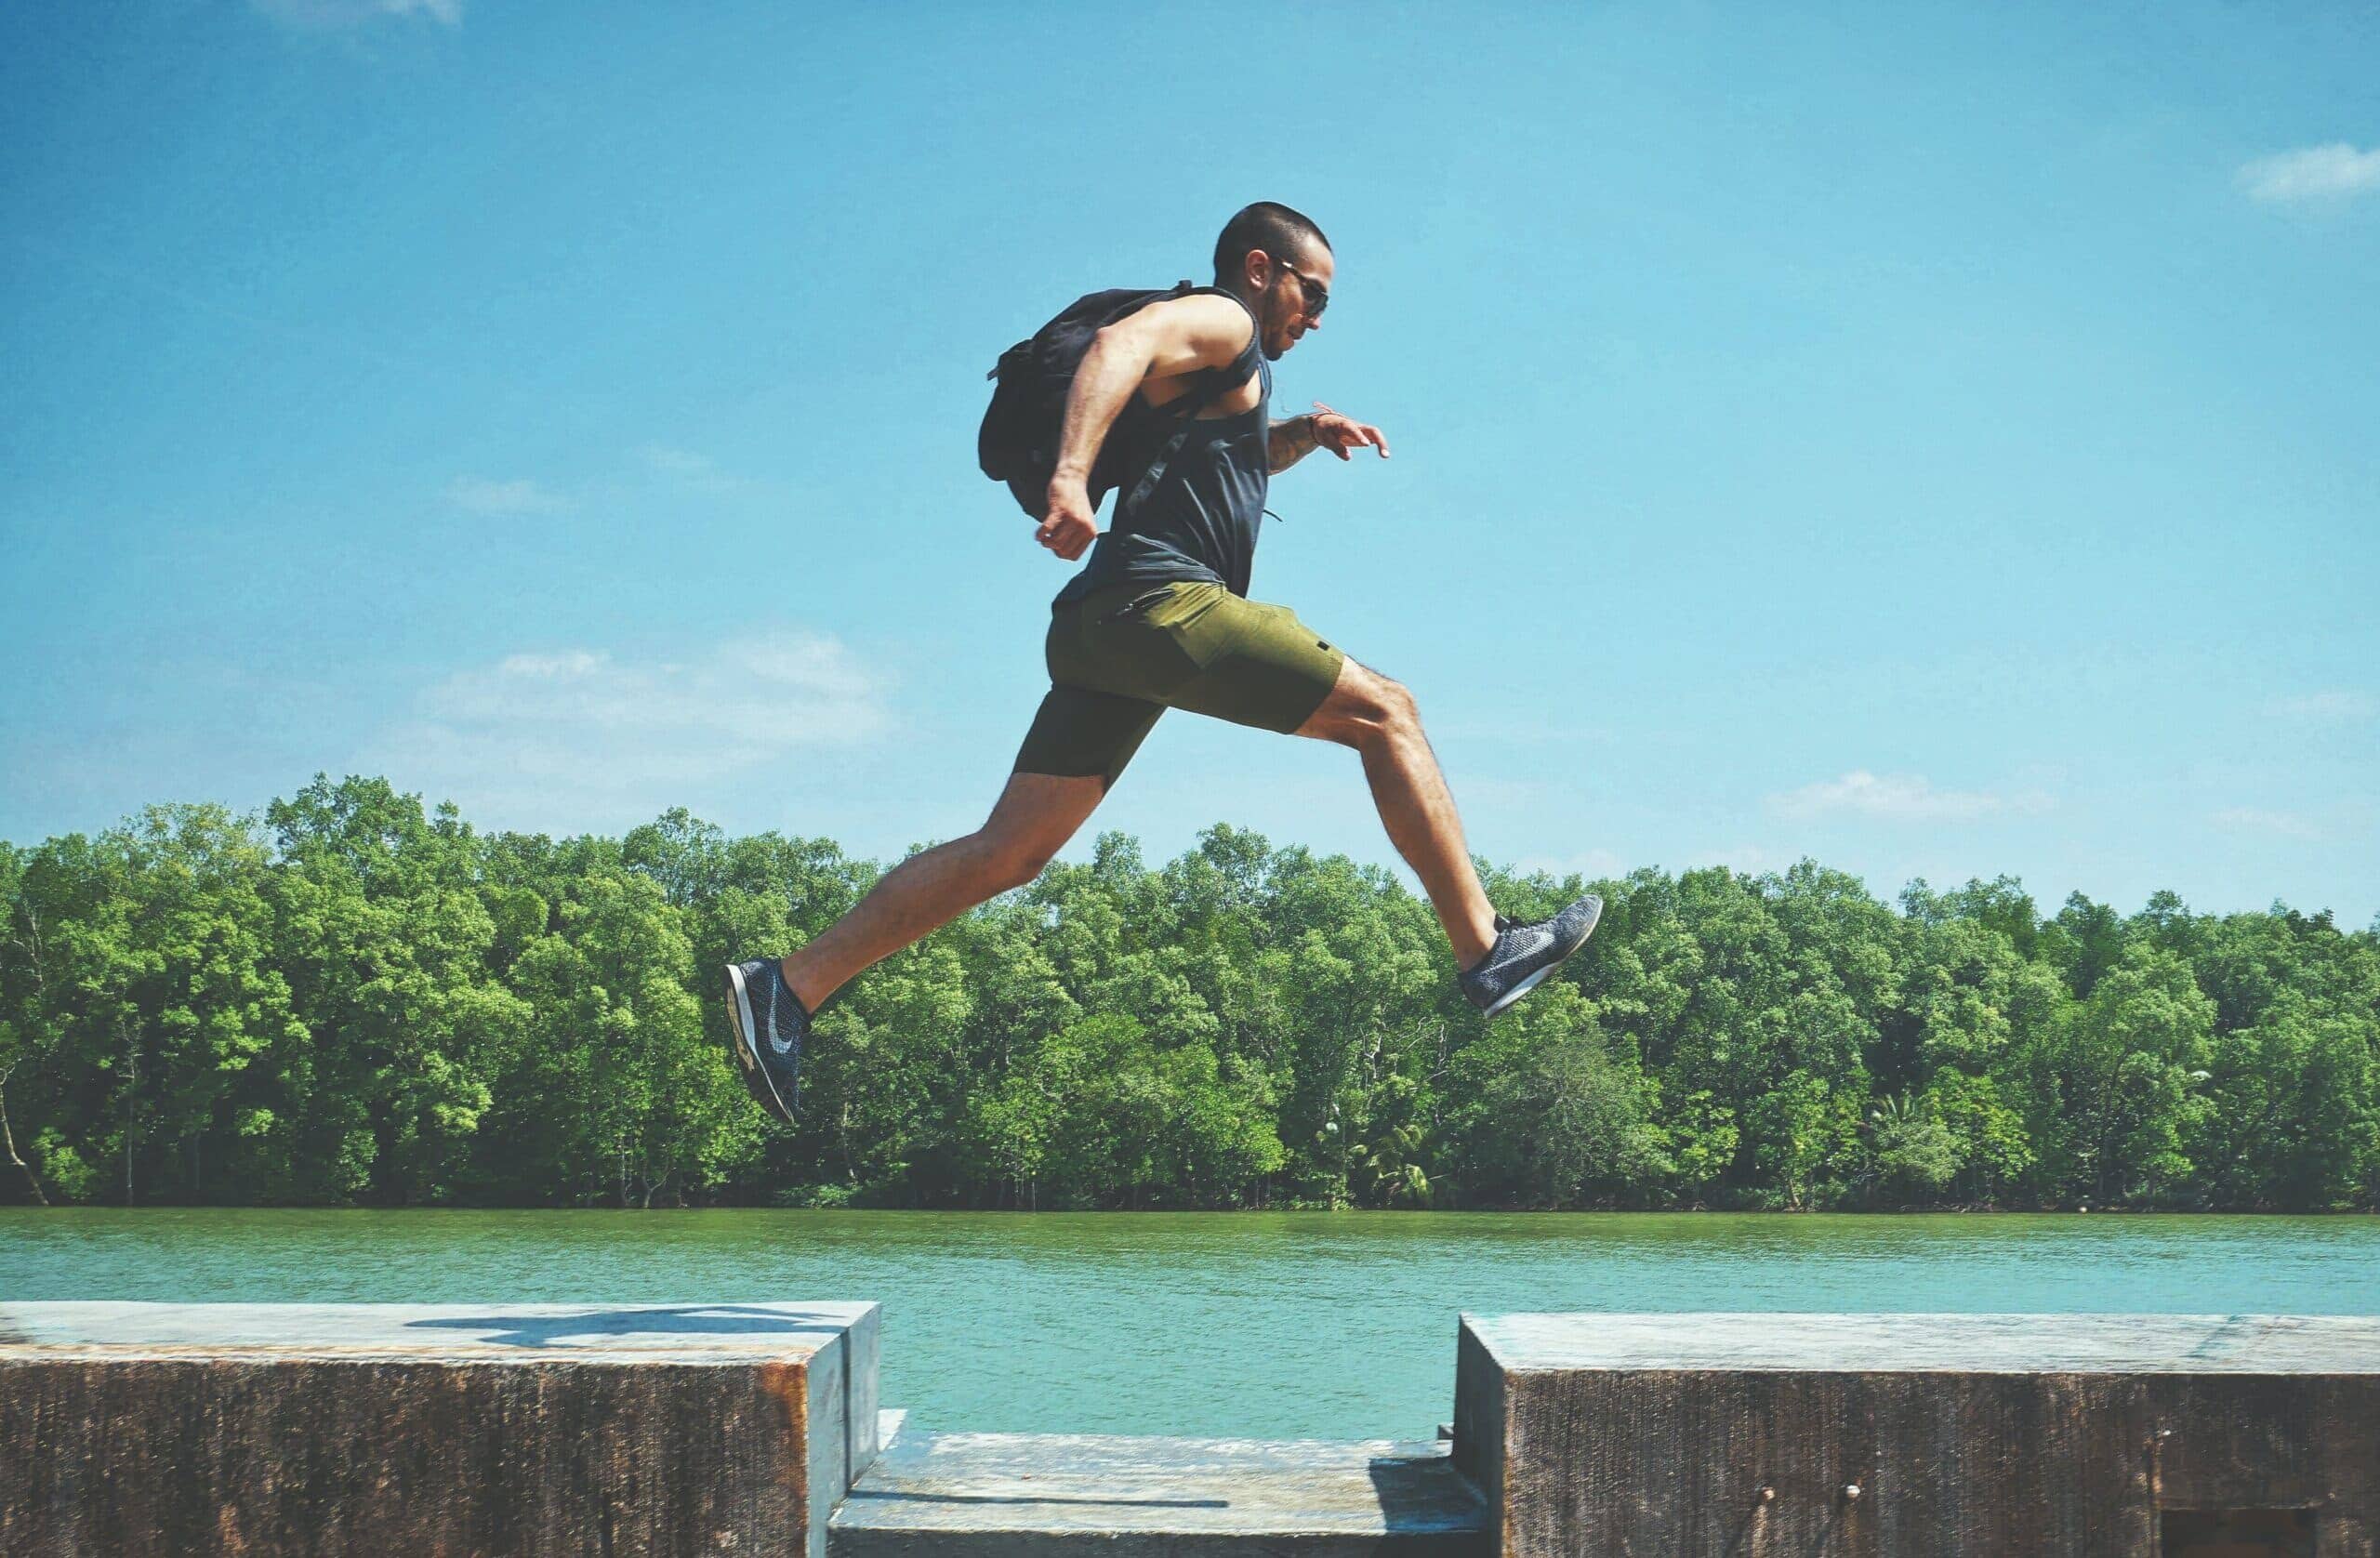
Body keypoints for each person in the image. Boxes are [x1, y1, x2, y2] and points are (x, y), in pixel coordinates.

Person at [723, 202, 1600, 1124]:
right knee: (1387, 710)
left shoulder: (1218, 377)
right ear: (1260, 269)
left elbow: (1223, 459)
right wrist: (1068, 478)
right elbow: (1119, 347)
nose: (1316, 317)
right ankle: (1485, 947)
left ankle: (789, 988)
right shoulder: (1220, 319)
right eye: (1313, 294)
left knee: (1008, 851)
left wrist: (1299, 436)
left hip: (1101, 630)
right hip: (1159, 607)